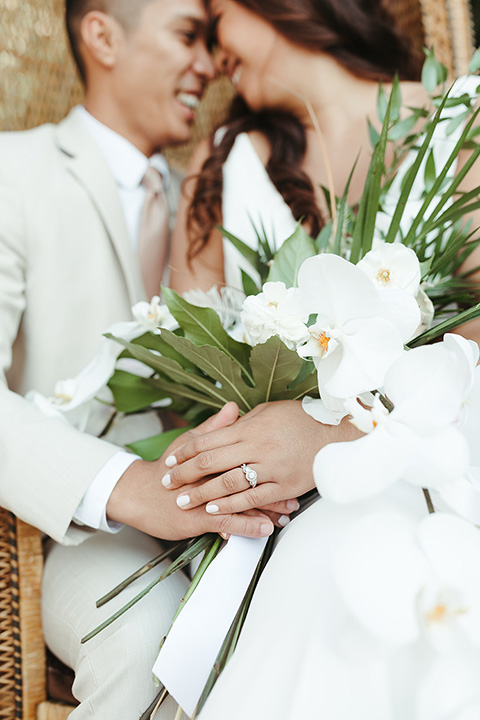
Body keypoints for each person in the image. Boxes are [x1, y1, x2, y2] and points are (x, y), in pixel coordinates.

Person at [163, 0, 480, 716]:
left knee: (355, 552)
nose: (212, 58)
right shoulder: (223, 170)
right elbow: (190, 363)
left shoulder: (457, 130)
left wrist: (343, 433)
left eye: (217, 23)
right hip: (269, 502)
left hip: (439, 448)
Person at [0, 1, 293, 717]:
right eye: (187, 36)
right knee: (150, 645)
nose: (208, 64)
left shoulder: (220, 192)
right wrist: (127, 486)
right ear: (101, 34)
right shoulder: (15, 170)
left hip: (239, 521)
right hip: (66, 530)